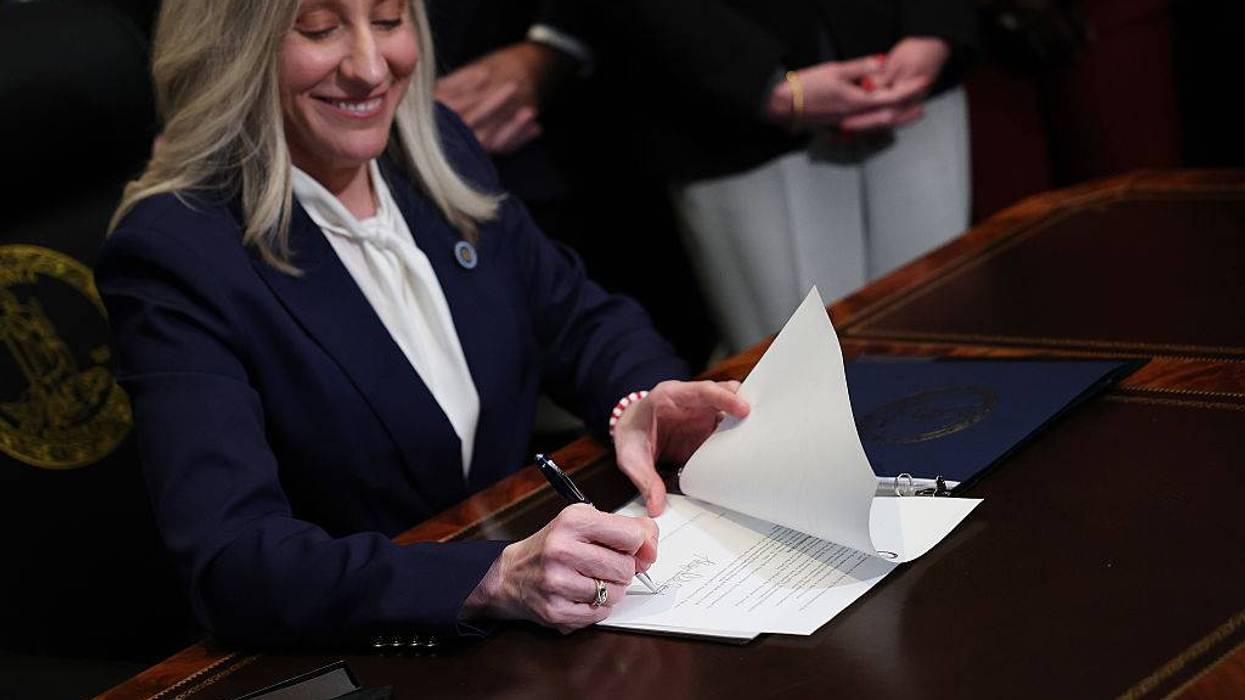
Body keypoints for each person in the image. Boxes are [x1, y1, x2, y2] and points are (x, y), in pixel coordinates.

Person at [97, 0, 747, 646]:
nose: (370, 68)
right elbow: (236, 564)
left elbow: (576, 317)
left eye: (388, 21)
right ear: (232, 49)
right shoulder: (174, 252)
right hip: (374, 653)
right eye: (320, 30)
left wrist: (642, 402)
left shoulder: (434, 143)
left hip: (533, 624)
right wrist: (492, 577)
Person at [584, 0, 977, 351]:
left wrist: (938, 21)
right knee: (804, 369)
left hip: (910, 69)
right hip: (729, 113)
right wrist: (755, 79)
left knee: (943, 340)